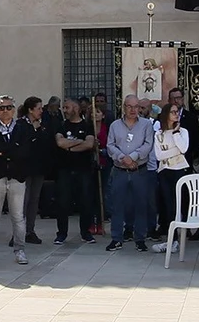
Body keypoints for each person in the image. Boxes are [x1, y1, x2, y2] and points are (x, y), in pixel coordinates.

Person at [0, 95, 32, 265]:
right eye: (2, 108)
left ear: (14, 109)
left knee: (18, 217)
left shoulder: (23, 128)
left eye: (9, 107)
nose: (5, 111)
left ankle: (20, 250)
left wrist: (3, 151)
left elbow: (25, 151)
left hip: (17, 177)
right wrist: (12, 148)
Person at [104, 94, 155, 252]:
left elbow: (148, 144)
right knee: (117, 205)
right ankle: (116, 238)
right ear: (124, 107)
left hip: (139, 170)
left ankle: (140, 239)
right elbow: (110, 145)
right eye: (130, 106)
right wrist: (122, 157)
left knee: (141, 204)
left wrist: (132, 157)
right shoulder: (115, 125)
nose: (133, 110)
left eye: (136, 107)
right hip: (119, 170)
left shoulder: (146, 124)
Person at [52, 97, 99, 245]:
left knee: (85, 201)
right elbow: (60, 142)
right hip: (64, 170)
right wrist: (79, 141)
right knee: (63, 202)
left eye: (67, 107)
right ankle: (61, 234)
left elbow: (89, 144)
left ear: (76, 109)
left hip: (83, 170)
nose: (64, 110)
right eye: (64, 107)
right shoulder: (61, 125)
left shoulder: (87, 126)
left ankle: (85, 233)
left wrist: (70, 147)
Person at [150, 103, 188, 249]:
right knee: (168, 205)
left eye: (177, 111)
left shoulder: (183, 132)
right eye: (173, 112)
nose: (176, 114)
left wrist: (176, 134)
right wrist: (175, 151)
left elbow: (183, 148)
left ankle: (179, 237)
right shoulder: (159, 134)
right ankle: (171, 238)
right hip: (165, 171)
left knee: (179, 204)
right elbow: (159, 155)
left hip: (179, 170)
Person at [19, 97, 49, 244]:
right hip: (24, 169)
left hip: (38, 168)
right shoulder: (20, 124)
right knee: (23, 200)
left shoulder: (42, 124)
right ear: (30, 110)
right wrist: (34, 130)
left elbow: (45, 143)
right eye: (38, 108)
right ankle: (18, 232)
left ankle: (30, 230)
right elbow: (24, 143)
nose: (41, 111)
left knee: (34, 200)